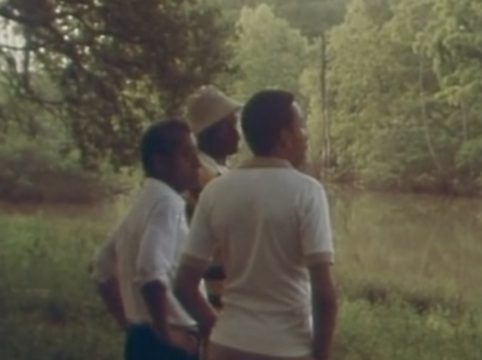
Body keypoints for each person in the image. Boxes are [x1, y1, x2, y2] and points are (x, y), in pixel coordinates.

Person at [175, 90, 339, 360]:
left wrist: (218, 327)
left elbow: (184, 284)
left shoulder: (215, 190)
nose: (305, 135)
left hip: (225, 346)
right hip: (286, 348)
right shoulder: (307, 192)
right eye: (300, 127)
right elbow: (324, 294)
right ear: (285, 137)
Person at [91, 119, 206, 360]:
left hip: (141, 336)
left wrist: (132, 324)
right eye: (187, 155)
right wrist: (167, 336)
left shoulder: (146, 200)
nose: (198, 163)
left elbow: (102, 265)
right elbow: (150, 272)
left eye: (196, 154)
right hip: (171, 342)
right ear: (160, 161)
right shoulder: (167, 203)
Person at [183, 85, 243, 309]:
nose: (237, 133)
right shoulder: (203, 177)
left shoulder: (217, 172)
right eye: (230, 125)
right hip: (212, 294)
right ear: (212, 131)